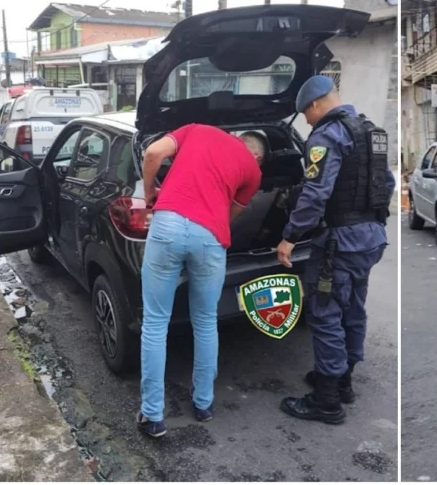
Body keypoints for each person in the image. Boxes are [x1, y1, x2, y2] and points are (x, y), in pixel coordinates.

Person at [276, 75, 393, 425]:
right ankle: (343, 382)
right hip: (371, 236)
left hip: (340, 240)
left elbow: (315, 194)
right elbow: (385, 183)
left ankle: (326, 402)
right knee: (353, 307)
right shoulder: (371, 131)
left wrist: (290, 236)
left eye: (306, 115)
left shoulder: (328, 135)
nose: (308, 121)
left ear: (314, 105)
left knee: (325, 314)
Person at [136, 123, 263, 438]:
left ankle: (152, 416)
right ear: (258, 157)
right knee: (206, 322)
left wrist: (149, 190)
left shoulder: (198, 130)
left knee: (155, 323)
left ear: (237, 138)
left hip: (166, 226)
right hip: (210, 238)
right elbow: (230, 214)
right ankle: (203, 404)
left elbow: (152, 152)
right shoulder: (253, 172)